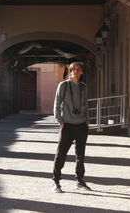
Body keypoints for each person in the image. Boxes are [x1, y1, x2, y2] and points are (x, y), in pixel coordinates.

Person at [52, 62, 91, 193]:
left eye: (78, 69)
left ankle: (79, 181)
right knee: (61, 154)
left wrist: (86, 121)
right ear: (69, 71)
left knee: (80, 155)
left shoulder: (83, 87)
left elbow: (85, 104)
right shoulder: (63, 85)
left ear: (82, 72)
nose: (75, 71)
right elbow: (57, 105)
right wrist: (61, 122)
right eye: (72, 69)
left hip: (81, 125)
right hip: (67, 125)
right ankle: (56, 182)